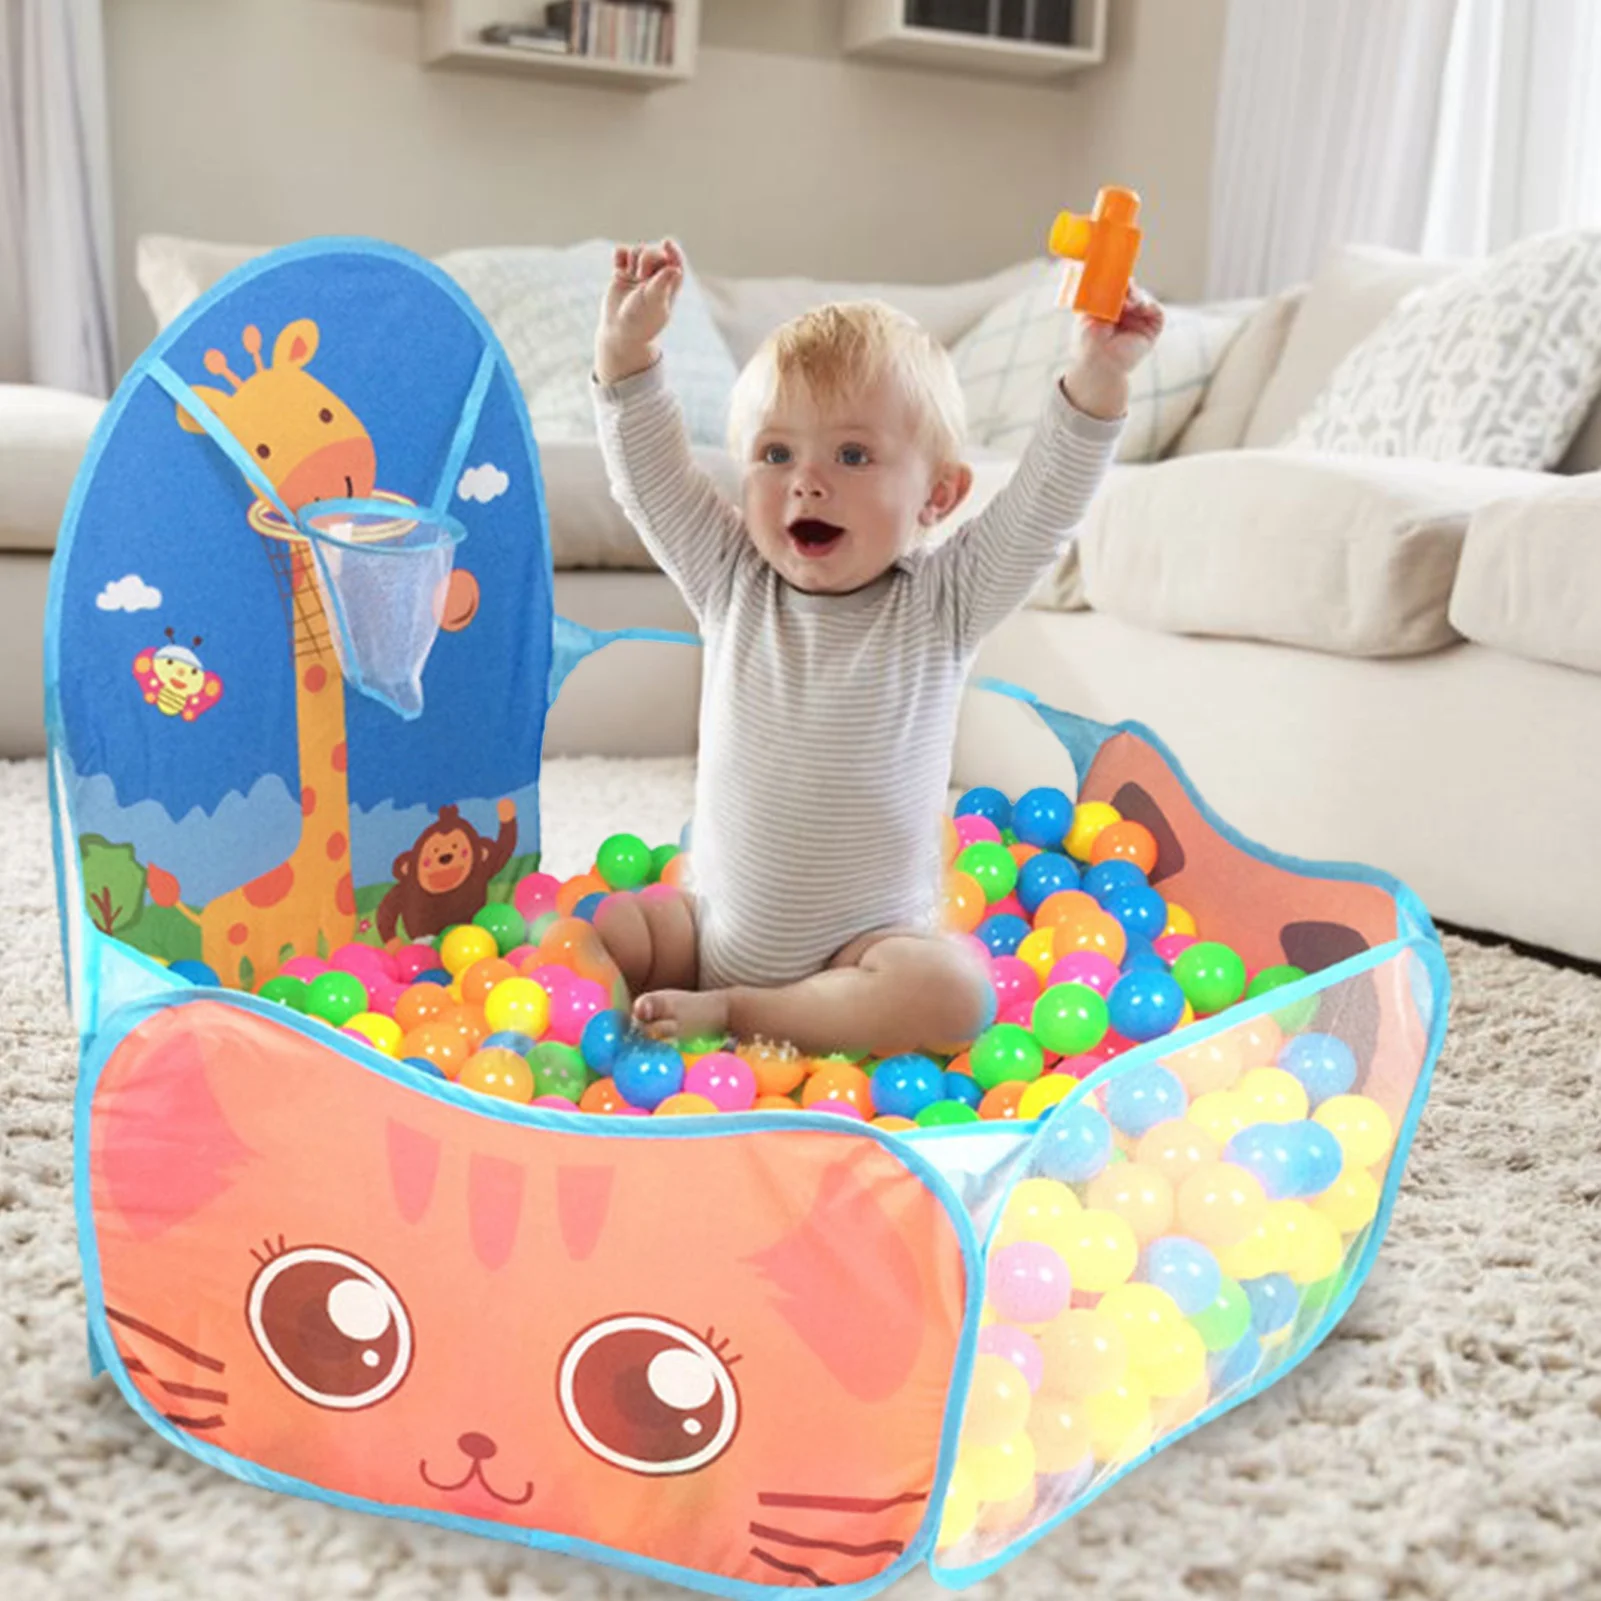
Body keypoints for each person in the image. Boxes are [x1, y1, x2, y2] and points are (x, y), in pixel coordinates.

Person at [589, 238, 1163, 1057]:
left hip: (859, 959)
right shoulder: (731, 578)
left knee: (953, 993)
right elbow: (650, 478)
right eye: (775, 453)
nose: (805, 479)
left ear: (939, 495)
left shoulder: (942, 602)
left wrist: (1098, 377)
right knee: (610, 927)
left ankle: (745, 1014)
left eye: (852, 455)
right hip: (714, 936)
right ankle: (633, 1036)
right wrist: (626, 351)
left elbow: (1044, 508)